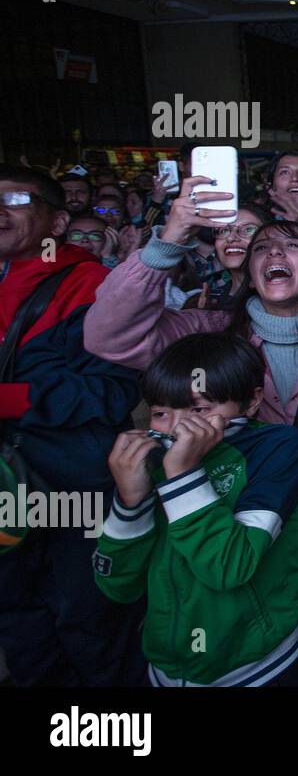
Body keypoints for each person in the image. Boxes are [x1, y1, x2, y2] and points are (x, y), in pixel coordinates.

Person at [85, 177, 298, 687]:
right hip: (241, 508)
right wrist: (171, 235)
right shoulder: (210, 333)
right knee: (259, 632)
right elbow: (106, 336)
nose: (276, 252)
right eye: (262, 247)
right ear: (248, 270)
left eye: (293, 245)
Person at [94, 333, 298, 686]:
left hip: (261, 670)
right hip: (167, 673)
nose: (179, 427)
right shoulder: (150, 465)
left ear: (252, 401)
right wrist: (130, 503)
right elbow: (117, 586)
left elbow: (228, 568)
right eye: (162, 412)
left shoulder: (275, 449)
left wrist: (183, 474)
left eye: (199, 409)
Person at [0, 166, 144, 686]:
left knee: (90, 622)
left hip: (73, 489)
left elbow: (112, 393)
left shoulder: (91, 284)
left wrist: (10, 398)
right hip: (6, 492)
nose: (0, 209)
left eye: (16, 198)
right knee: (19, 621)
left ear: (57, 220)